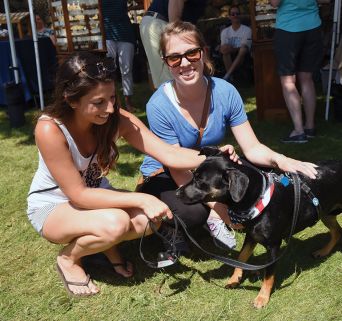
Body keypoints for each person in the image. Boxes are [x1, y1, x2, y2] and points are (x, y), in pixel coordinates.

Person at [26, 52, 237, 297]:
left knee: (150, 220)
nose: (109, 108)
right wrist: (142, 198)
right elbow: (78, 195)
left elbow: (168, 154)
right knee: (117, 223)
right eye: (98, 102)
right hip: (54, 204)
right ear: (71, 100)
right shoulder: (50, 129)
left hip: (95, 197)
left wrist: (214, 157)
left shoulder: (117, 118)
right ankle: (69, 259)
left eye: (113, 98)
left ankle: (105, 245)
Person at [139, 21, 318, 256]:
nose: (185, 63)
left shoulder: (225, 92)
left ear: (203, 52)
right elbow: (175, 165)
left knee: (253, 176)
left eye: (192, 53)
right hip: (166, 173)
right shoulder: (158, 105)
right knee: (195, 212)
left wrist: (282, 161)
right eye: (175, 58)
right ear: (166, 62)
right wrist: (220, 210)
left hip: (208, 170)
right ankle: (173, 230)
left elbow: (252, 148)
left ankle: (210, 217)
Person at [270, 0, 328, 143]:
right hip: (313, 27)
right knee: (307, 79)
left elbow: (274, 3)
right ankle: (310, 126)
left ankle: (298, 131)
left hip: (288, 28)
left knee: (288, 81)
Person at [139, 0, 207, 89]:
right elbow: (174, 18)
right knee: (169, 80)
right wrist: (178, 41)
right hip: (161, 24)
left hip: (161, 23)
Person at [101, 0, 135, 112]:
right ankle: (113, 100)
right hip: (107, 35)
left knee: (126, 69)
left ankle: (128, 102)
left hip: (125, 34)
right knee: (109, 70)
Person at [219, 5, 252, 82]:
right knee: (225, 51)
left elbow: (245, 47)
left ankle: (228, 75)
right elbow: (223, 48)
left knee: (242, 50)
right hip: (229, 55)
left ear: (240, 15)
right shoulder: (225, 31)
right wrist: (230, 49)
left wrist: (232, 49)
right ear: (229, 17)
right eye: (233, 14)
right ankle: (231, 76)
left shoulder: (247, 30)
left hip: (242, 56)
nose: (235, 16)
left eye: (237, 14)